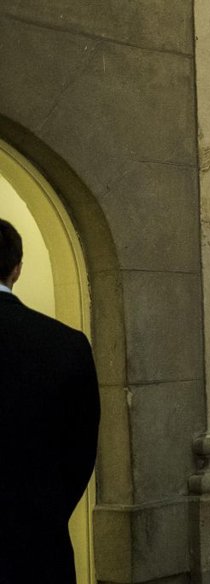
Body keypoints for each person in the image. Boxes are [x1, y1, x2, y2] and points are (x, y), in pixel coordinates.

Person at [0, 218, 101, 583]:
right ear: (17, 269)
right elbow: (82, 449)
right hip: (39, 545)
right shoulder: (66, 344)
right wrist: (46, 510)